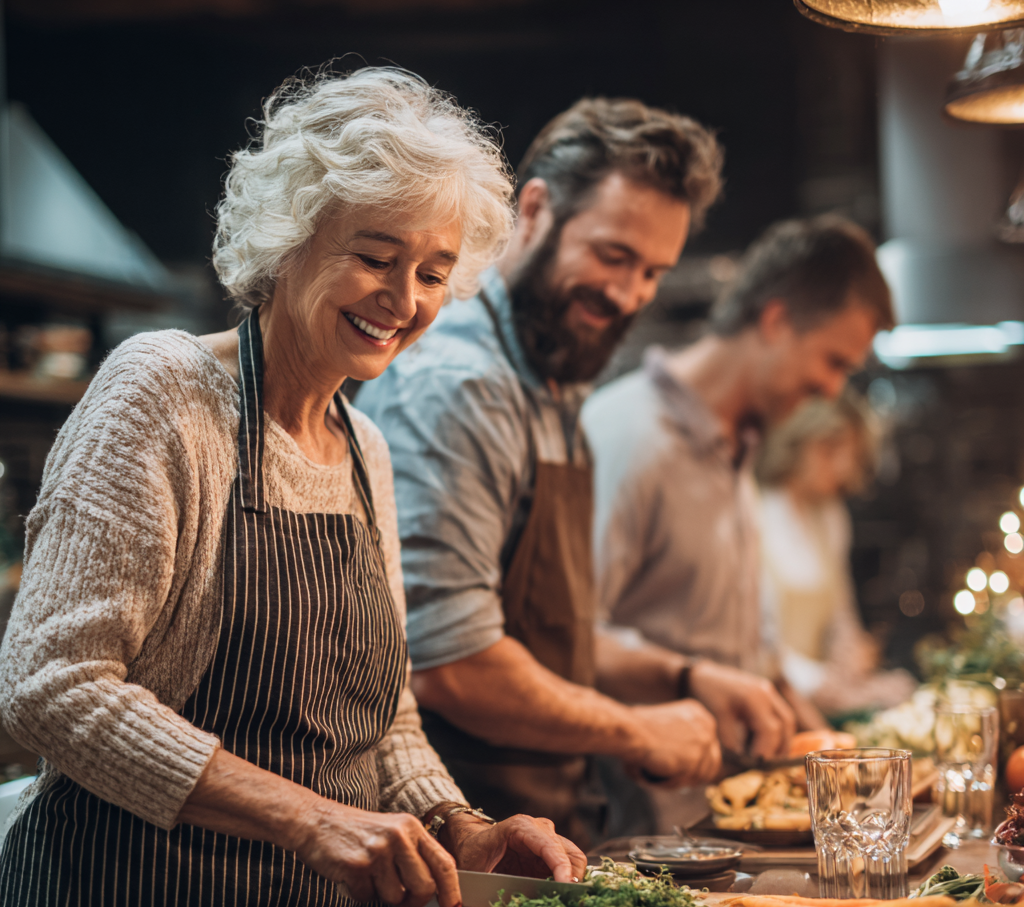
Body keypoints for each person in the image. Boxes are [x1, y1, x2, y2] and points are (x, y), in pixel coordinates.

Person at [0, 68, 585, 907]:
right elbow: (49, 684)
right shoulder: (162, 393)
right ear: (292, 237)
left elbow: (384, 724)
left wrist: (461, 829)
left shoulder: (367, 450)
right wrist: (305, 816)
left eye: (434, 272)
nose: (403, 298)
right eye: (376, 256)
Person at [356, 97, 797, 846]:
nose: (628, 294)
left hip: (555, 838)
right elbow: (450, 664)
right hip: (463, 848)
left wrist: (686, 679)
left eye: (653, 271)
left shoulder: (553, 383)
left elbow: (548, 635)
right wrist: (634, 729)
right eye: (613, 255)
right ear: (535, 210)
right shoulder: (458, 387)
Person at [584, 216, 893, 747]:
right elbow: (572, 639)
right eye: (833, 362)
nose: (831, 388)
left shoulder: (740, 442)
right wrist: (687, 680)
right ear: (775, 322)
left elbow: (749, 649)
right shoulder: (626, 435)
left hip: (726, 804)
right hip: (641, 815)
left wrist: (836, 761)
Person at [758, 390, 916, 716]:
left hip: (823, 699)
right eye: (831, 450)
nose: (843, 467)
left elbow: (841, 612)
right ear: (796, 440)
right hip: (773, 701)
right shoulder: (754, 514)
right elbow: (756, 642)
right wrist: (821, 682)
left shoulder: (830, 516)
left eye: (851, 455)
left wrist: (852, 654)